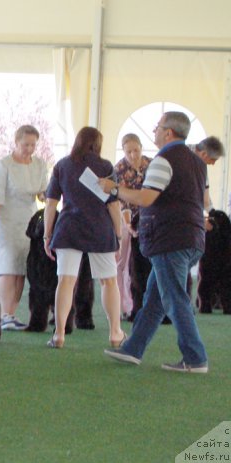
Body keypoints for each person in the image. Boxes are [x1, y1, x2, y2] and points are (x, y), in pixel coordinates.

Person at [100, 111, 209, 373]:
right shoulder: (198, 162)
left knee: (174, 298)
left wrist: (113, 189)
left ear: (169, 132)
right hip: (192, 237)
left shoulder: (162, 160)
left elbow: (147, 198)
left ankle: (195, 358)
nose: (154, 131)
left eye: (158, 127)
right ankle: (133, 349)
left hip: (169, 239)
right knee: (155, 298)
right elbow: (205, 202)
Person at [43, 127, 125, 348]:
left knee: (66, 281)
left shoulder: (62, 165)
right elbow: (114, 205)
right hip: (100, 228)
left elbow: (50, 204)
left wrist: (46, 235)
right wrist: (118, 234)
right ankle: (115, 332)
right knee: (109, 281)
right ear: (97, 144)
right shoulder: (106, 166)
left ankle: (59, 334)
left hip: (69, 228)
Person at [0, 125, 48, 331]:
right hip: (6, 221)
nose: (29, 149)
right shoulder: (3, 165)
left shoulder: (40, 164)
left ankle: (11, 313)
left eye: (33, 145)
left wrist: (47, 197)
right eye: (25, 144)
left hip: (29, 223)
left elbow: (41, 192)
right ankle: (4, 314)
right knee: (7, 266)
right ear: (16, 142)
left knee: (22, 267)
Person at [113, 133, 152, 318]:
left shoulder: (151, 165)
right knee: (122, 262)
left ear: (141, 148)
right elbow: (121, 199)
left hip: (148, 218)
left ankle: (142, 304)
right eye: (129, 151)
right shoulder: (119, 169)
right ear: (123, 151)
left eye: (136, 150)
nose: (133, 155)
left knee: (141, 264)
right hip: (125, 217)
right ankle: (123, 306)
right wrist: (128, 224)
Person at [193, 136, 225, 210]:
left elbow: (205, 196)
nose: (213, 164)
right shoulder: (183, 155)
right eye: (213, 160)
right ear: (204, 154)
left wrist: (212, 212)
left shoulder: (201, 163)